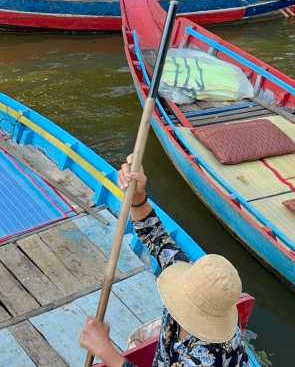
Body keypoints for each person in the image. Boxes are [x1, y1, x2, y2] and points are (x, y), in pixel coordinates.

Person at [79, 156, 249, 366]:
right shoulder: (191, 284)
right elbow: (156, 237)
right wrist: (138, 196)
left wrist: (105, 350)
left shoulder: (206, 358)